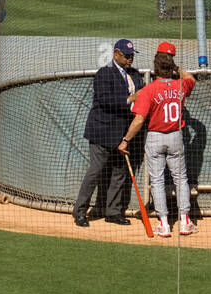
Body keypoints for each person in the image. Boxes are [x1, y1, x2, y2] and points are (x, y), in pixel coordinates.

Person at [120, 42, 196, 237]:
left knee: (157, 181)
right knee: (181, 179)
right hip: (176, 136)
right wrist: (175, 67)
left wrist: (126, 140)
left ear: (155, 69)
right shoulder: (181, 84)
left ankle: (164, 223)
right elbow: (190, 78)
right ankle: (185, 221)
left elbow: (138, 120)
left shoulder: (149, 90)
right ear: (171, 67)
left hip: (155, 137)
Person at [75, 38, 143, 227]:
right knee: (95, 172)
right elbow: (105, 101)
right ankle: (80, 211)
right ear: (116, 54)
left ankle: (113, 211)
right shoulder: (104, 74)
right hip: (102, 132)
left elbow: (142, 95)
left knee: (120, 173)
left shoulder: (135, 75)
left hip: (123, 134)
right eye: (126, 55)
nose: (130, 59)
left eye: (131, 55)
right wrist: (130, 99)